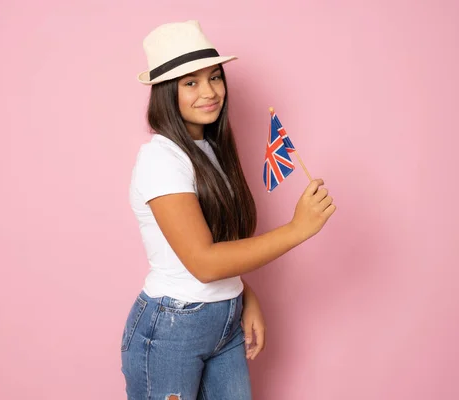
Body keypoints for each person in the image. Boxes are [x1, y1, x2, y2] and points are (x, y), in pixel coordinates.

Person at [121, 20, 336, 400]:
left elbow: (215, 242)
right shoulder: (161, 158)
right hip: (173, 327)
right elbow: (203, 262)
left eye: (215, 78)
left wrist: (243, 293)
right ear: (165, 93)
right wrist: (298, 229)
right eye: (190, 83)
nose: (209, 92)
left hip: (225, 322)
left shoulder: (210, 150)